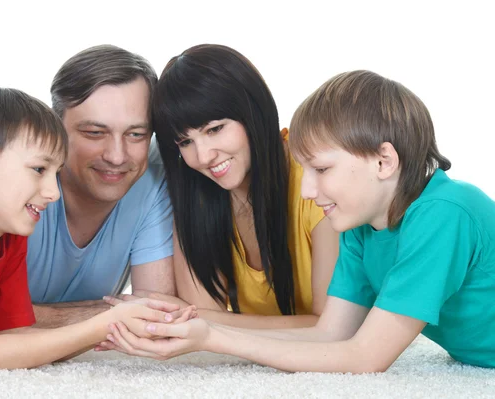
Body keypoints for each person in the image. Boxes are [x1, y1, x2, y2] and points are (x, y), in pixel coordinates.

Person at [101, 70, 495, 371]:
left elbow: (365, 357)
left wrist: (215, 338)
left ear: (383, 160)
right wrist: (206, 334)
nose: (307, 190)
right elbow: (330, 334)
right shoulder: (361, 226)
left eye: (322, 169)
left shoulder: (444, 213)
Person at [0, 87, 190, 369]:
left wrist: (114, 325)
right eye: (39, 169)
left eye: (55, 173)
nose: (53, 192)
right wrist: (101, 324)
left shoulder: (9, 234)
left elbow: (15, 337)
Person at [106, 44, 339, 329]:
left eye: (215, 129)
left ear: (253, 111)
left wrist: (207, 321)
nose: (203, 157)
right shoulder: (196, 192)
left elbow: (331, 327)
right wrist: (205, 321)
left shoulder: (316, 180)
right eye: (185, 142)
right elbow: (203, 316)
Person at [27, 45, 175, 328]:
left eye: (136, 134)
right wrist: (116, 312)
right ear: (54, 127)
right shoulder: (14, 174)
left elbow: (157, 312)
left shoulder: (155, 173)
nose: (117, 156)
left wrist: (35, 314)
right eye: (95, 133)